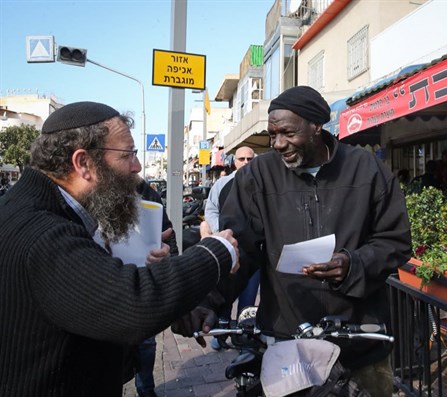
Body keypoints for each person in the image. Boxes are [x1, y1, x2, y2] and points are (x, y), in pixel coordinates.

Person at [176, 86, 412, 395]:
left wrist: (352, 265)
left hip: (359, 339)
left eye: (287, 132)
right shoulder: (257, 176)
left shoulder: (366, 169)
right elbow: (239, 251)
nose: (278, 144)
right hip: (286, 342)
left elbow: (395, 241)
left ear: (316, 127)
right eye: (272, 135)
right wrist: (206, 300)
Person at [0, 101, 238, 396]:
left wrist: (156, 276)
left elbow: (92, 294)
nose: (137, 167)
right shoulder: (42, 231)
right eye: (127, 155)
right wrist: (216, 251)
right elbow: (133, 304)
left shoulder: (40, 210)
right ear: (83, 163)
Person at [203, 145, 259, 351]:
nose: (245, 162)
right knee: (225, 296)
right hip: (227, 251)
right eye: (241, 159)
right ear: (234, 161)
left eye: (249, 159)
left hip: (254, 253)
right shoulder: (222, 184)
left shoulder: (261, 183)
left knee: (248, 300)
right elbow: (211, 209)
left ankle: (245, 338)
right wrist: (222, 234)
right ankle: (220, 334)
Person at [132, 179, 180, 397]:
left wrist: (174, 265)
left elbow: (167, 232)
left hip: (144, 282)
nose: (135, 166)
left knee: (146, 343)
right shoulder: (95, 192)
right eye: (126, 157)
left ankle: (146, 389)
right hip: (110, 283)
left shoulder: (148, 194)